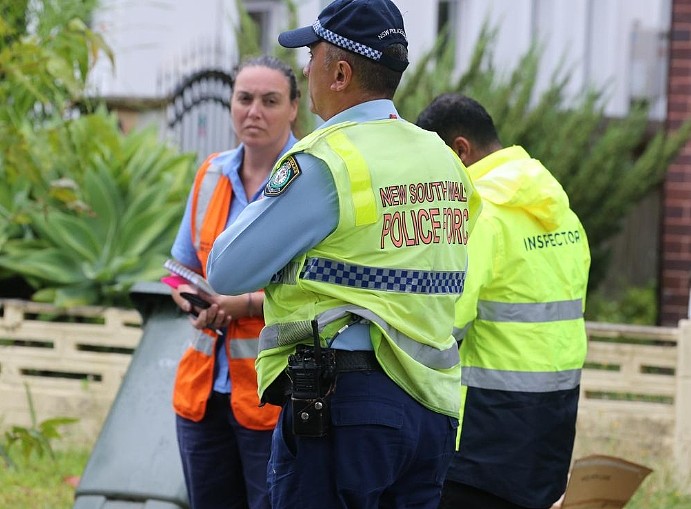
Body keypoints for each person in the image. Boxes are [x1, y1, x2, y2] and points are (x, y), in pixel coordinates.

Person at [206, 1, 482, 507]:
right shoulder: (442, 157)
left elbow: (225, 268)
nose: (305, 68)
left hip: (344, 408)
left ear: (340, 72)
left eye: (311, 55)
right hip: (432, 407)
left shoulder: (328, 159)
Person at [416, 93, 591, 509]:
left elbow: (439, 325)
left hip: (481, 435)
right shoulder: (561, 212)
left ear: (461, 149)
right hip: (552, 425)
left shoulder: (480, 215)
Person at [168, 55, 300, 509]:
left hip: (273, 397)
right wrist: (189, 298)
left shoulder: (309, 181)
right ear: (231, 103)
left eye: (270, 100)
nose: (254, 112)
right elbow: (179, 266)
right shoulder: (210, 174)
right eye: (244, 99)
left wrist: (244, 304)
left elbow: (317, 290)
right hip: (204, 391)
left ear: (294, 109)